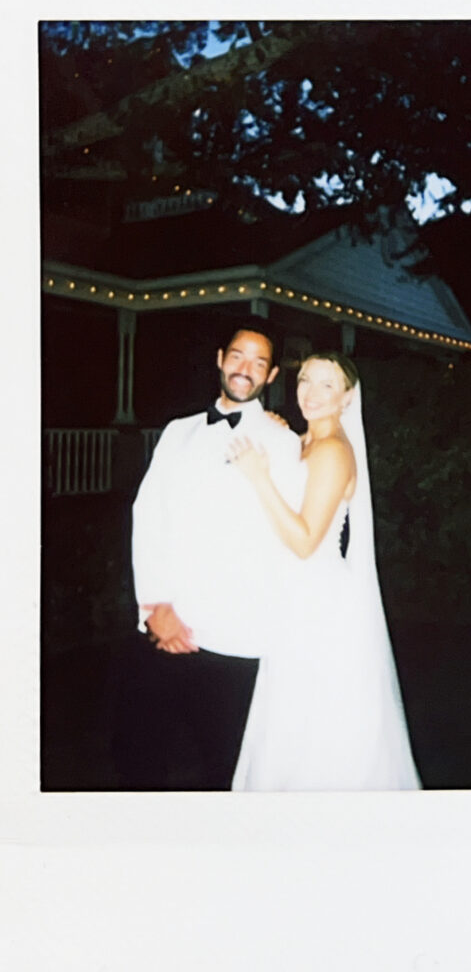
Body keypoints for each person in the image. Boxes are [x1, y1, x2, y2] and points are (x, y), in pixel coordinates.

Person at [111, 323, 302, 789]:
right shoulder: (178, 432)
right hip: (166, 623)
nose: (245, 369)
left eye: (259, 363)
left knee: (224, 769)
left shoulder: (283, 442)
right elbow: (148, 514)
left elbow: (286, 539)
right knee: (138, 757)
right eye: (238, 356)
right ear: (220, 359)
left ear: (272, 374)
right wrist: (155, 607)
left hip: (236, 636)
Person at [226, 352, 421, 790]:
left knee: (313, 728)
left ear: (347, 397)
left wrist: (259, 477)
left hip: (319, 603)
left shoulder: (332, 451)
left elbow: (304, 540)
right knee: (292, 719)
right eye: (305, 380)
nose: (310, 393)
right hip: (297, 597)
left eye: (326, 385)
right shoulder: (306, 441)